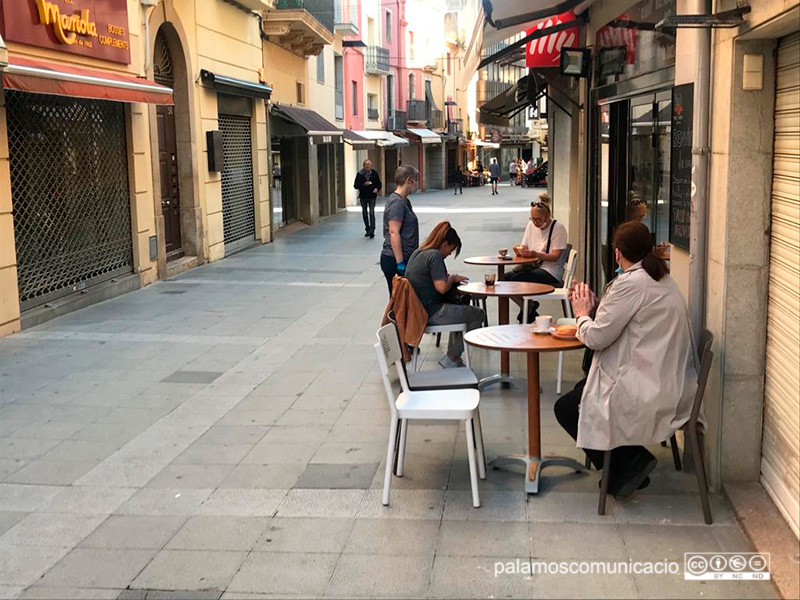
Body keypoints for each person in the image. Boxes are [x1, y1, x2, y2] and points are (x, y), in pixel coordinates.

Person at [554, 221, 699, 499]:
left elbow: (596, 338)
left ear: (618, 253)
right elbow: (626, 320)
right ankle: (626, 463)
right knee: (581, 392)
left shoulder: (631, 284)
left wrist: (582, 313)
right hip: (668, 377)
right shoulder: (662, 278)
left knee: (568, 408)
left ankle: (629, 463)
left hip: (649, 386)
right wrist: (597, 308)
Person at [405, 222, 485, 369]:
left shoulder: (418, 252)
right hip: (433, 313)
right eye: (451, 250)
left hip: (417, 311)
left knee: (461, 311)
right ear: (444, 244)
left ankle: (453, 358)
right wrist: (452, 279)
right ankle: (452, 356)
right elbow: (441, 288)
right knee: (478, 315)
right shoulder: (435, 256)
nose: (449, 254)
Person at [508, 193, 568, 322]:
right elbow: (524, 246)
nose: (535, 222)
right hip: (534, 266)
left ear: (548, 216)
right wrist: (519, 251)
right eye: (532, 218)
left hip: (551, 271)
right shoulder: (531, 226)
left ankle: (527, 312)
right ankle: (528, 307)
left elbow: (555, 257)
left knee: (517, 279)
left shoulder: (558, 228)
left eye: (538, 219)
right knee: (505, 279)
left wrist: (535, 254)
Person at [380, 165, 420, 295]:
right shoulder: (397, 203)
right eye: (416, 180)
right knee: (400, 301)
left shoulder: (405, 201)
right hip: (394, 259)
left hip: (406, 257)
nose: (417, 184)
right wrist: (400, 262)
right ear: (409, 180)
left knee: (405, 300)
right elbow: (394, 232)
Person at [354, 159, 382, 238]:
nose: (367, 166)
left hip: (372, 196)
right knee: (365, 213)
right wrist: (364, 184)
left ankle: (372, 230)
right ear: (363, 166)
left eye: (368, 164)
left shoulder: (374, 173)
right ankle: (367, 228)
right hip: (363, 196)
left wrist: (377, 189)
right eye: (366, 164)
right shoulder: (360, 174)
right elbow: (356, 185)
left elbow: (379, 183)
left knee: (371, 213)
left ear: (371, 166)